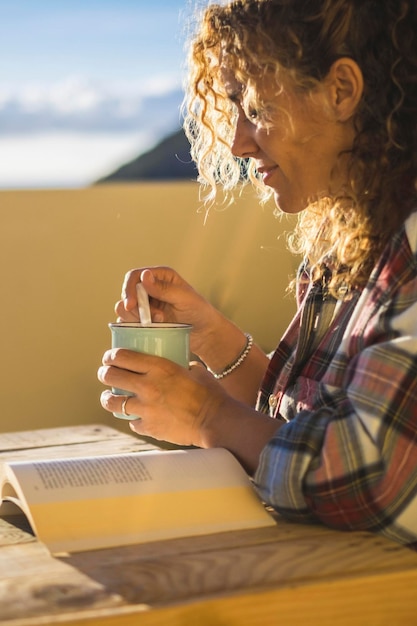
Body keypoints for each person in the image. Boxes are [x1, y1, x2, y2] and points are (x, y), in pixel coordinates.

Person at [98, 0, 417, 548]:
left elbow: (375, 475)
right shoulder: (353, 235)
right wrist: (217, 342)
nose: (238, 142)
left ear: (340, 90)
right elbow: (309, 424)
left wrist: (205, 415)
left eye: (253, 106)